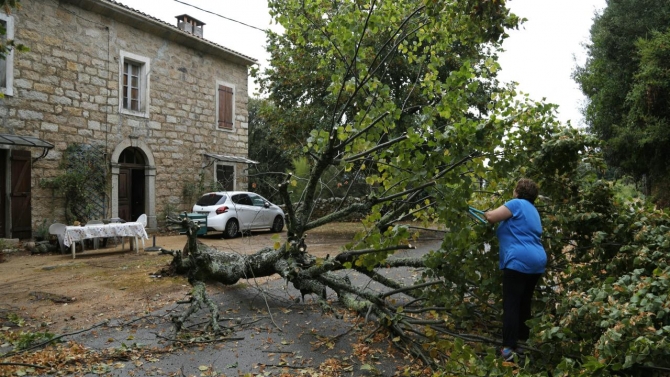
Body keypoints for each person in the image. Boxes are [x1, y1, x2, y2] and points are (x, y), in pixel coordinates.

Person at [484, 178, 547, 361]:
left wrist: (487, 214)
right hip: (537, 261)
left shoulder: (517, 203)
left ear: (518, 191)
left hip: (519, 261)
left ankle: (508, 348)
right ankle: (523, 342)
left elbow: (491, 217)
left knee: (511, 304)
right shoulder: (533, 210)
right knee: (523, 302)